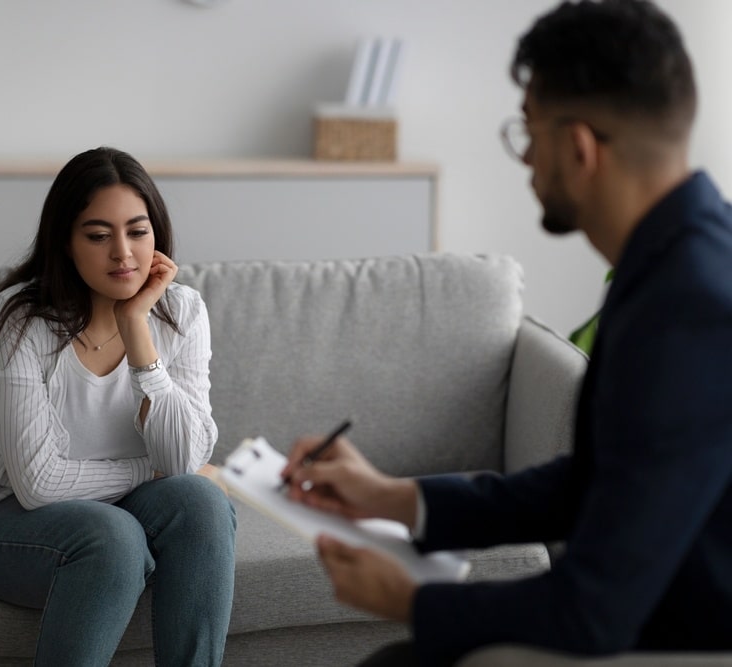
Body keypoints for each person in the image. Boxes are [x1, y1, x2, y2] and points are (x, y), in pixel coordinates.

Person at [281, 1, 732, 665]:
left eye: (528, 133)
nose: (526, 161)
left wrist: (408, 599)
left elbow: (593, 610)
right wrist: (397, 498)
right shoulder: (682, 259)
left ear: (577, 147)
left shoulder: (688, 306)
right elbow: (595, 481)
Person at [0, 147, 236, 666]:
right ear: (67, 243)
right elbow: (39, 485)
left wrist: (138, 333)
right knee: (115, 533)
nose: (123, 253)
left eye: (137, 232)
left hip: (112, 515)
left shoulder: (182, 310)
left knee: (201, 502)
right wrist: (156, 469)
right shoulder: (21, 319)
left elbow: (182, 456)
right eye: (98, 236)